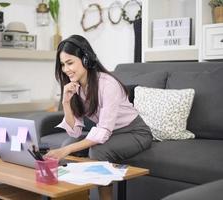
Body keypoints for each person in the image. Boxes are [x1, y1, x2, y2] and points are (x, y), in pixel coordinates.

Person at [45, 35, 152, 200]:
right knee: (68, 144)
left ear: (86, 59)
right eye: (63, 64)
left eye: (70, 63)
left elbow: (102, 133)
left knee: (97, 150)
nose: (66, 69)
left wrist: (65, 151)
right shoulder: (76, 86)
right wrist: (66, 102)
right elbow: (74, 132)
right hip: (112, 132)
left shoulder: (108, 84)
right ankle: (77, 196)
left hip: (136, 132)